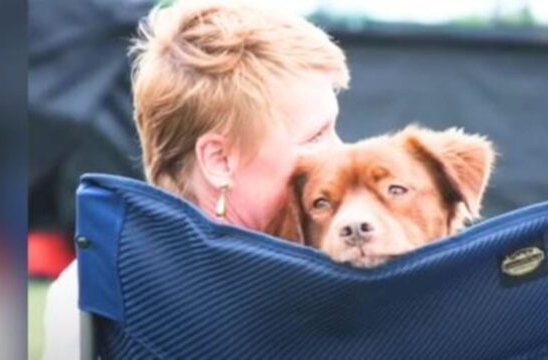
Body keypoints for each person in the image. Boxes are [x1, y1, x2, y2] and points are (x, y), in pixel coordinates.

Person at [42, 1, 350, 358]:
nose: (341, 153)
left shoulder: (89, 288)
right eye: (316, 136)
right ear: (219, 160)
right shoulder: (345, 288)